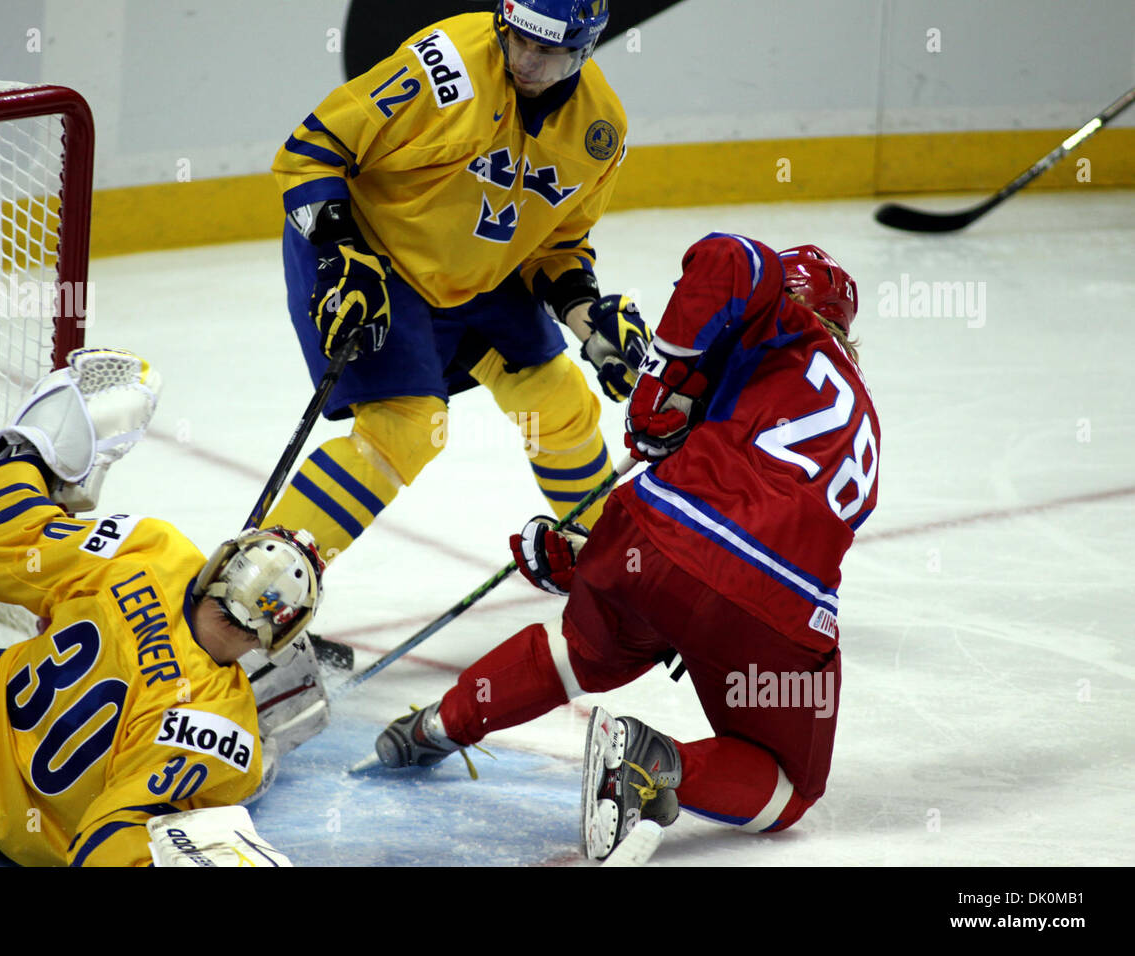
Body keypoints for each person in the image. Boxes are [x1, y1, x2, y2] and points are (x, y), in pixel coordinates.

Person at [368, 233, 881, 861]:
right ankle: (654, 767)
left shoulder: (784, 325)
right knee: (789, 787)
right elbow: (749, 526)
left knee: (581, 652)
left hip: (655, 536)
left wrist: (660, 381)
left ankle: (438, 725)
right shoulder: (862, 420)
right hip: (770, 601)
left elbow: (729, 258)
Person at [0, 348, 330, 866]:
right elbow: (109, 842)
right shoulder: (225, 730)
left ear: (221, 565)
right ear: (276, 638)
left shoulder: (151, 553)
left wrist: (37, 452)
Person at [264, 0, 650, 567]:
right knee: (408, 426)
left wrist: (587, 322)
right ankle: (259, 593)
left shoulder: (600, 130)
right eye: (520, 40)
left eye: (549, 51)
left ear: (585, 49)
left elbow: (557, 245)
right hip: (373, 254)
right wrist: (339, 251)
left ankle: (611, 571)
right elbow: (310, 151)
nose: (527, 62)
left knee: (559, 400)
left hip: (482, 270)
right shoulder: (445, 68)